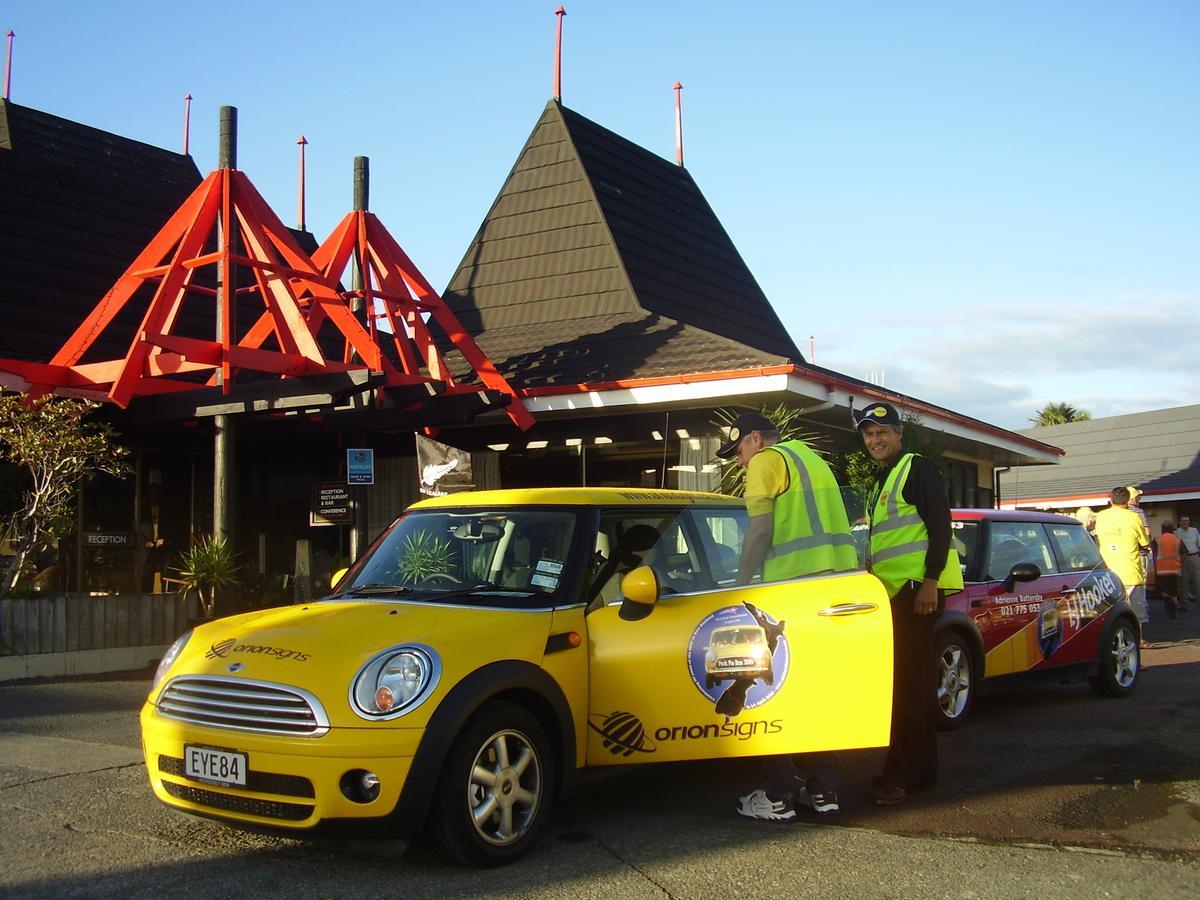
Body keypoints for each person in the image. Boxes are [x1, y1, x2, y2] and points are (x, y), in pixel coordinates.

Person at [718, 411, 858, 821]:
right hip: (832, 590)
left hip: (790, 592)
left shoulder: (766, 461)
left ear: (756, 439)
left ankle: (778, 795)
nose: (740, 462)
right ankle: (824, 791)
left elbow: (759, 530)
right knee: (815, 692)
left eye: (739, 450)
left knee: (773, 692)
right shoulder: (813, 460)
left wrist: (741, 586)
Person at [858, 401, 963, 806]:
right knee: (912, 685)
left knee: (907, 687)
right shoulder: (882, 478)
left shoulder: (915, 468)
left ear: (899, 434)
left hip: (916, 591)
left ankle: (900, 774)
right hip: (895, 593)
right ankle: (921, 772)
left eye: (882, 432)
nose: (875, 439)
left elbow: (941, 527)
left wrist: (930, 583)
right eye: (868, 434)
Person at [1094, 486, 1152, 645]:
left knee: (1111, 614)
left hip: (1107, 574)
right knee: (1134, 613)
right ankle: (1136, 644)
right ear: (1128, 501)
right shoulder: (1134, 517)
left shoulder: (1101, 516)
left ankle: (1115, 646)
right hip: (1130, 573)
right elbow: (1144, 542)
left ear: (1111, 500)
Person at [1155, 522, 1182, 619]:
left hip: (1161, 571)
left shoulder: (1158, 539)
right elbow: (1184, 553)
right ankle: (1174, 605)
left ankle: (1168, 599)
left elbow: (1151, 552)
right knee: (1174, 591)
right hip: (1175, 570)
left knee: (1163, 590)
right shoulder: (1177, 540)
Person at [1177, 515, 1200, 609]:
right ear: (1180, 522)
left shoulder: (1194, 531)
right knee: (1184, 580)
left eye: (1187, 520)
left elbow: (1199, 544)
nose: (1186, 522)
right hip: (1183, 558)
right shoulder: (1176, 532)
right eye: (1184, 521)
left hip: (1194, 556)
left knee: (1197, 580)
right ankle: (1184, 603)